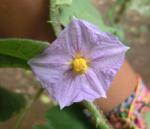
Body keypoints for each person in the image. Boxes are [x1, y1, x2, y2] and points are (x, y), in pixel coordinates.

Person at [0, 0, 149, 128]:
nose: (82, 66)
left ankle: (135, 117)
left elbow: (108, 50)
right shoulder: (79, 41)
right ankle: (136, 117)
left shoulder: (80, 36)